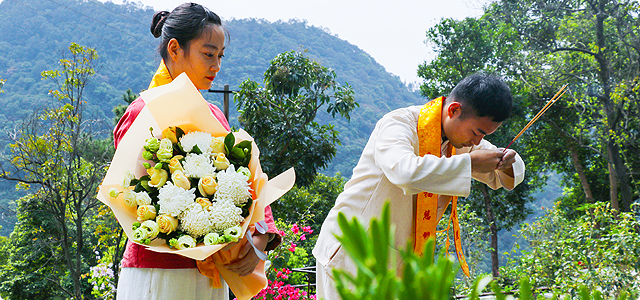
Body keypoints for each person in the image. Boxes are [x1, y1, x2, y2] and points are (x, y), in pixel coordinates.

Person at [113, 3, 280, 299]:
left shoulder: (214, 114)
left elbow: (249, 182)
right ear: (175, 49)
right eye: (208, 54)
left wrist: (259, 239)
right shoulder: (145, 112)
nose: (216, 65)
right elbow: (134, 196)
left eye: (220, 56)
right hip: (158, 272)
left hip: (210, 272)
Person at [312, 72, 526, 299]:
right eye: (477, 132)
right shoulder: (398, 123)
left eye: (484, 136)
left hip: (397, 262)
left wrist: (506, 160)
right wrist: (470, 162)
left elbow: (509, 171)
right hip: (351, 251)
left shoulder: (462, 140)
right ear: (454, 110)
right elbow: (405, 172)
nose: (477, 142)